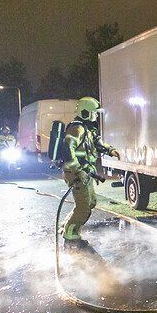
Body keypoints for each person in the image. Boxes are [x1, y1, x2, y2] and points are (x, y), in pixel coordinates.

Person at [61, 97, 120, 246]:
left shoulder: (88, 129)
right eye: (94, 113)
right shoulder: (77, 129)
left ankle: (67, 224)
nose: (95, 116)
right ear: (86, 112)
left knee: (91, 202)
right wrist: (76, 171)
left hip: (85, 172)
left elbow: (97, 143)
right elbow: (68, 150)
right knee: (83, 208)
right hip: (76, 173)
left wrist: (110, 150)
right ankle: (70, 234)